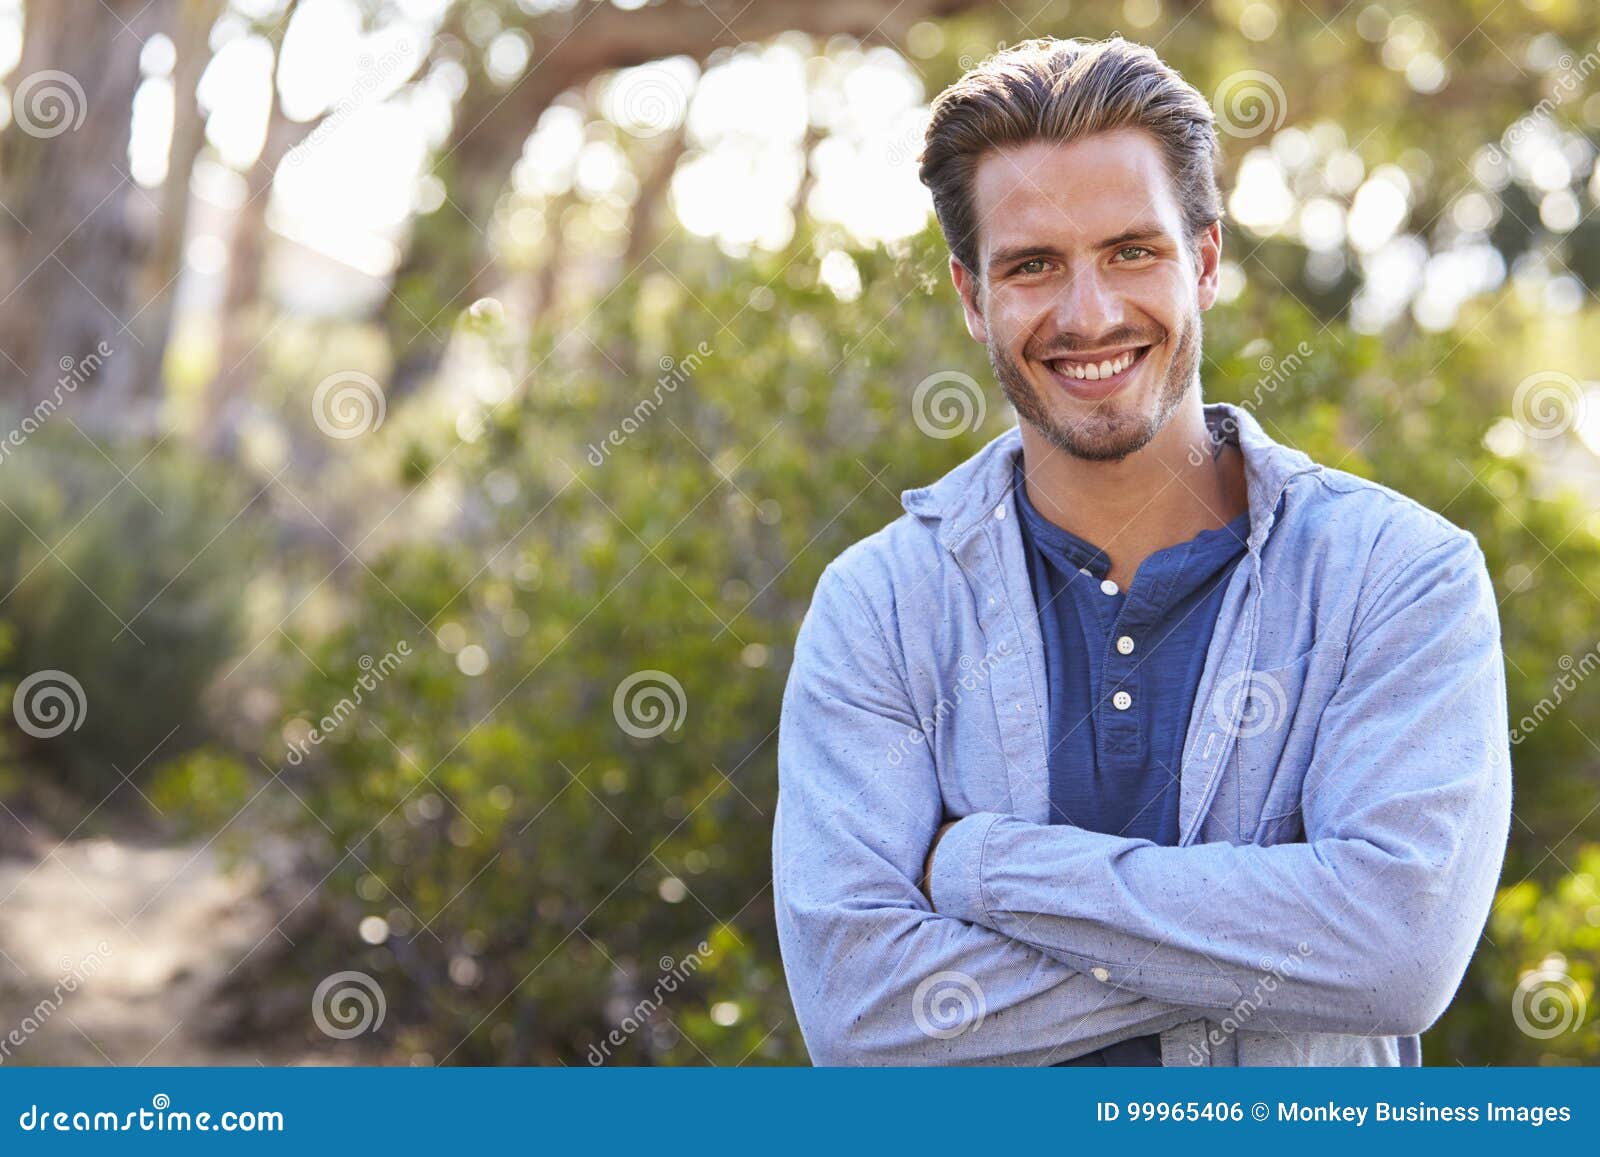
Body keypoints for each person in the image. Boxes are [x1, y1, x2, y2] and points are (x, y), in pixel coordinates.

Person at [771, 36, 1511, 1066]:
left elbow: (1394, 950)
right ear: (972, 297)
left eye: (1131, 250)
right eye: (1032, 265)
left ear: (1203, 260)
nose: (1090, 314)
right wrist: (1278, 928)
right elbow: (862, 1017)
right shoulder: (881, 606)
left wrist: (983, 868)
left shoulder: (1397, 576)